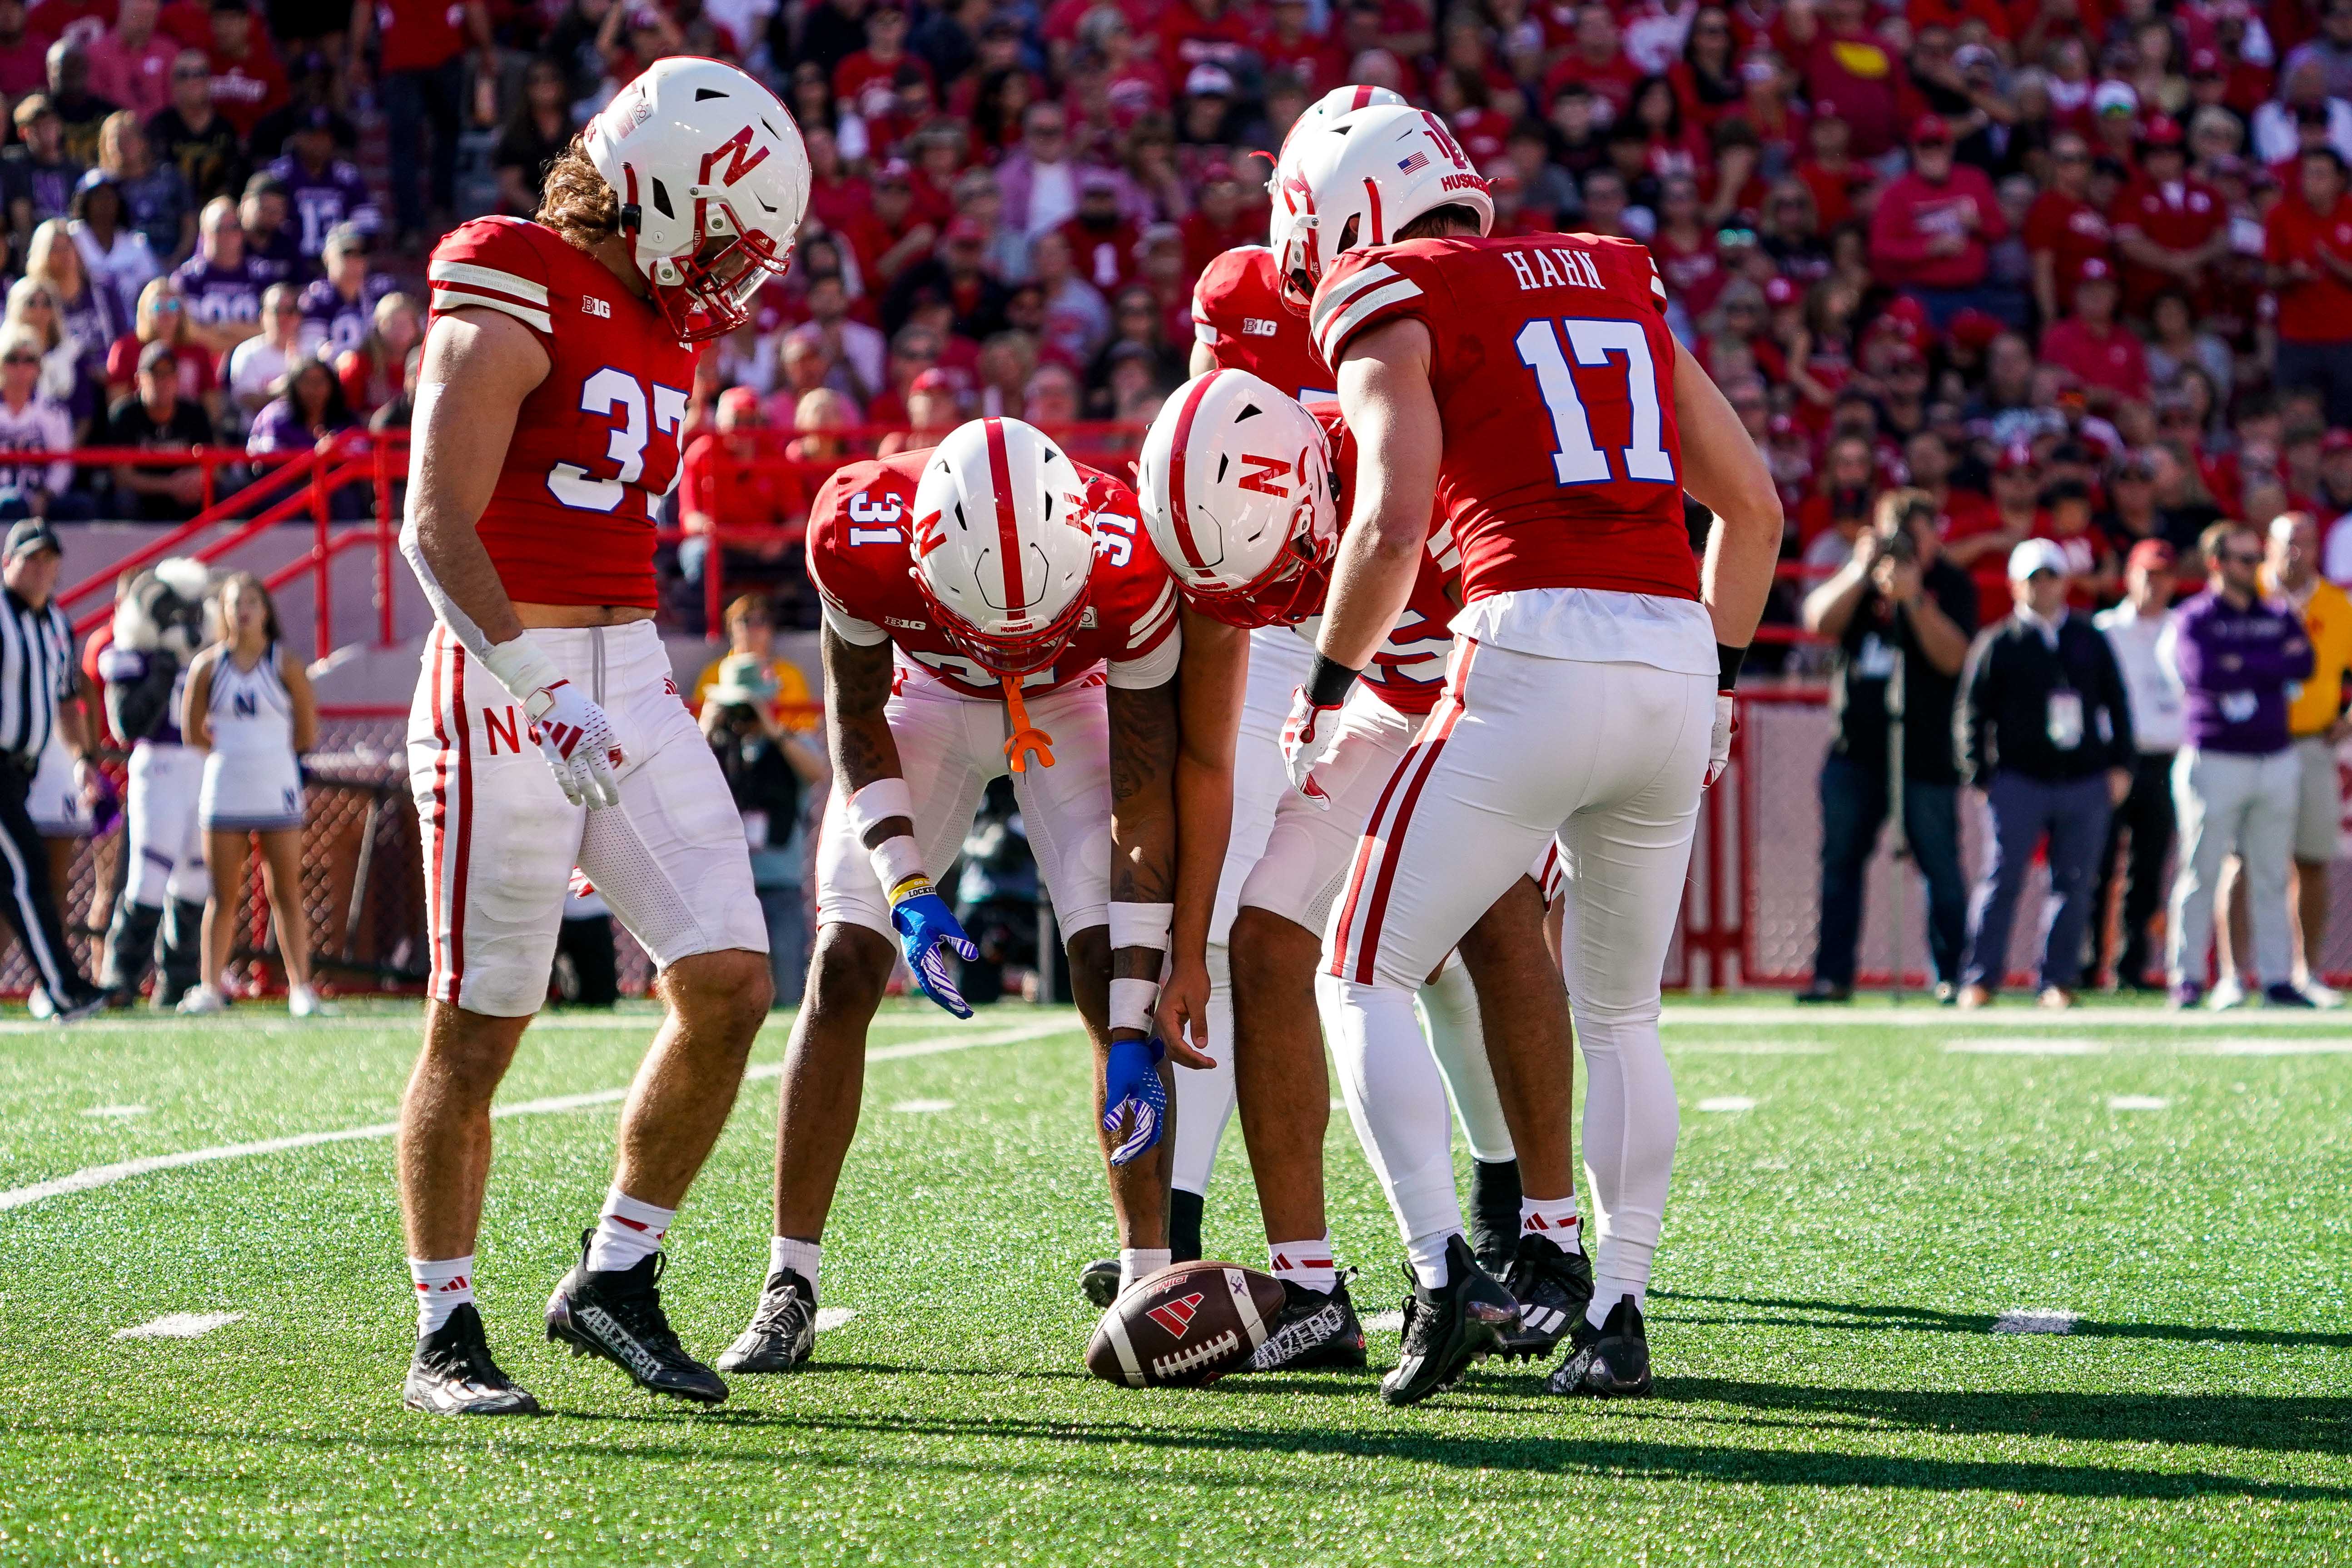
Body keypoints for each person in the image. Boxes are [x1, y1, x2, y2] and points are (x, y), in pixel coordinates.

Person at [1276, 101, 1780, 1402]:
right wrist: (1718, 678)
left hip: (1530, 642)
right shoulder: (1615, 268)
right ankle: (1617, 1308)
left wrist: (1327, 684)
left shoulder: (1392, 284)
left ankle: (1444, 1273)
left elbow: (1391, 529)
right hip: (1674, 654)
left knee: (1357, 968)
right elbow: (1756, 510)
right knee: (1621, 1014)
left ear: (1352, 208)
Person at [394, 57, 807, 1417]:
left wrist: (599, 689)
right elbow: (434, 524)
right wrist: (533, 681)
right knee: (481, 1026)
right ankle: (445, 1326)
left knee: (733, 978)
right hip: (500, 671)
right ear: (665, 190)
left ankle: (615, 1274)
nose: (740, 273)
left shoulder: (658, 315)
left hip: (627, 670)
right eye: (733, 235)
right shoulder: (513, 268)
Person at [714, 415, 1188, 1381]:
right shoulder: (860, 529)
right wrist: (906, 886)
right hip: (922, 698)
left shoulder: (1129, 554)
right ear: (926, 561)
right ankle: (787, 1281)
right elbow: (854, 719)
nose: (1003, 644)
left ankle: (1150, 1273)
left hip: (1071, 694)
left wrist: (1141, 1005)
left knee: (1111, 981)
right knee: (844, 963)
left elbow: (1144, 798)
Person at [1140, 369, 1592, 1374]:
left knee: (1494, 918)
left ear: (1308, 489)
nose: (1261, 600)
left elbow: (1541, 603)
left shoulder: (1416, 469)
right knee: (1260, 935)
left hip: (1498, 698)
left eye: (1276, 566)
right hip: (1385, 707)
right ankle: (1309, 1290)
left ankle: (1550, 1248)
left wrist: (1563, 790)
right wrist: (1190, 940)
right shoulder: (1228, 521)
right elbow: (1210, 759)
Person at [1797, 488, 1978, 1003]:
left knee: (1940, 867)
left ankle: (1951, 975)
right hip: (1855, 750)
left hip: (1923, 754)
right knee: (1839, 866)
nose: (1902, 547)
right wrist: (1859, 571)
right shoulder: (1863, 577)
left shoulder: (1949, 583)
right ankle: (1831, 976)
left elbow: (1951, 658)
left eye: (1913, 536)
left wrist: (1913, 598)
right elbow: (1817, 621)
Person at [1954, 539, 2135, 1009]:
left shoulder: (2087, 638)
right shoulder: (1997, 641)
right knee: (2001, 877)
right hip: (2018, 778)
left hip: (2082, 777)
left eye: (2050, 576)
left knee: (2073, 882)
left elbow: (2117, 703)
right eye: (2033, 578)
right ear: (2016, 584)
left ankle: (2056, 979)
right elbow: (1970, 711)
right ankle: (1979, 977)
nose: (2043, 587)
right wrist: (1977, 772)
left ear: (2065, 582)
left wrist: (2120, 765)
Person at [2160, 522, 2317, 1008]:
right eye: (2244, 560)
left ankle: (2275, 976)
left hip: (2273, 754)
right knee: (2200, 870)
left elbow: (2303, 664)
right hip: (2215, 755)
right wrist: (2265, 663)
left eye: (2256, 559)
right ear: (2216, 563)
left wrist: (2240, 663)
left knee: (2271, 871)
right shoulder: (2192, 617)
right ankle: (2186, 975)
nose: (2255, 569)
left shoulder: (2276, 612)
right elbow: (2201, 672)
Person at [2215, 513, 2351, 1004]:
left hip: (2313, 742)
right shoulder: (2242, 593)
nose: (2297, 552)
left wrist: (2348, 716)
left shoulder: (2337, 604)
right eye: (2287, 543)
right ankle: (2233, 974)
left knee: (2311, 860)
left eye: (2306, 542)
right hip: (2250, 742)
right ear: (2268, 547)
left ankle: (2306, 972)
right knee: (2242, 859)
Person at [178, 572, 325, 1017]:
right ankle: (209, 986)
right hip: (225, 789)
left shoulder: (285, 663)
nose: (242, 610)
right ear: (222, 612)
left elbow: (307, 731)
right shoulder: (208, 666)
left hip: (275, 785)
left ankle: (301, 988)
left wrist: (267, 756)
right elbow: (192, 732)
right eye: (233, 602)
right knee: (222, 895)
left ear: (265, 611)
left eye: (251, 602)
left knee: (285, 889)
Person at [0, 518, 109, 1020]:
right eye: (30, 558)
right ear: (8, 563)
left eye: (49, 559)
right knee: (28, 872)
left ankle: (59, 985)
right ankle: (63, 987)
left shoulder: (57, 624)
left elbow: (67, 701)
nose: (41, 569)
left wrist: (82, 760)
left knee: (19, 876)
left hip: (22, 772)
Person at [96, 555, 210, 1008]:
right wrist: (163, 669)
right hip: (159, 766)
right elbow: (127, 723)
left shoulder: (207, 659)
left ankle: (177, 983)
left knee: (195, 879)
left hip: (200, 766)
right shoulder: (133, 658)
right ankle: (121, 976)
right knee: (148, 875)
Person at [2090, 540, 2186, 992]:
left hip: (2166, 758)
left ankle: (2130, 967)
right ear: (2128, 577)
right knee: (2096, 864)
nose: (2154, 584)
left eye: (2163, 575)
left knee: (2147, 869)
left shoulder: (2182, 628)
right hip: (2110, 760)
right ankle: (2086, 964)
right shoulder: (2103, 629)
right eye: (2146, 574)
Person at [700, 660, 825, 1006]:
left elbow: (818, 772)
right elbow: (679, 779)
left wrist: (772, 729)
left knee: (786, 986)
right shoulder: (712, 748)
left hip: (779, 884)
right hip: (725, 886)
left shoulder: (789, 742)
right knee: (723, 995)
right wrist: (705, 728)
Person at [100, 339, 212, 520]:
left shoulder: (194, 413)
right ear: (139, 380)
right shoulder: (125, 415)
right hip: (144, 499)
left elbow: (216, 466)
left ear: (177, 379)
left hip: (185, 498)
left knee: (224, 491)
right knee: (124, 499)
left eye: (170, 374)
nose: (164, 382)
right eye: (156, 374)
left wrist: (196, 478)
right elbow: (122, 477)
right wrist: (170, 486)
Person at [691, 593, 817, 733]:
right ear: (730, 627)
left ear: (771, 629)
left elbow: (806, 728)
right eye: (745, 620)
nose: (754, 628)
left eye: (762, 620)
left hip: (779, 748)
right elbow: (698, 725)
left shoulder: (791, 674)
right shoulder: (713, 673)